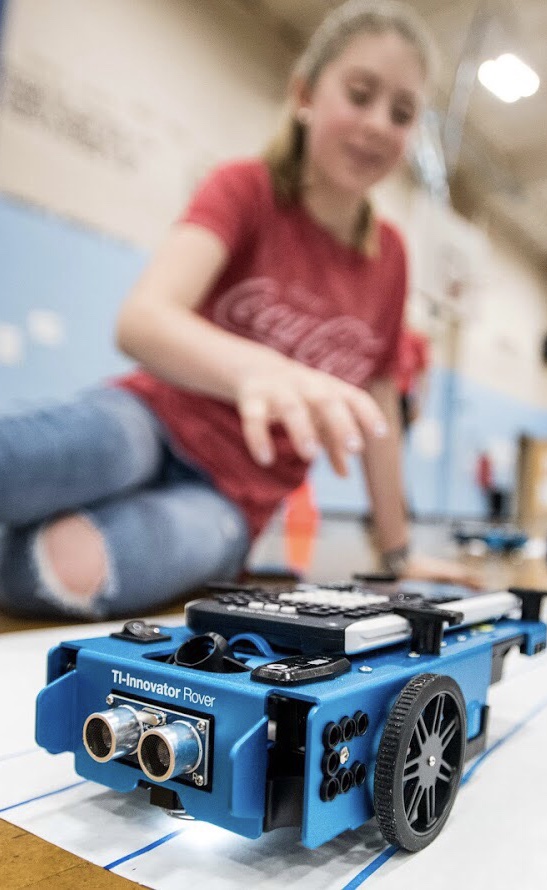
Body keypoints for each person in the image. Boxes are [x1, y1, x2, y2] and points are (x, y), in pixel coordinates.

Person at [0, 0, 479, 620]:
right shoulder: (244, 189)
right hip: (150, 419)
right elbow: (142, 320)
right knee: (29, 461)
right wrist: (263, 370)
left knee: (65, 571)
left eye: (402, 112)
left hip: (231, 501)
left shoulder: (390, 258)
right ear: (304, 95)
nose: (377, 124)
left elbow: (378, 415)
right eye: (359, 94)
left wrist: (397, 552)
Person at [395, 326, 430, 435]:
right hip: (382, 393)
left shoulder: (416, 340)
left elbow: (423, 375)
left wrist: (419, 405)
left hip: (403, 397)